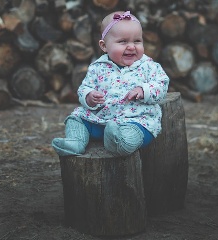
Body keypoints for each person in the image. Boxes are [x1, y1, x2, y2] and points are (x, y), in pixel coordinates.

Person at [51, 10, 169, 156]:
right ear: (104, 46)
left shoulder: (149, 66)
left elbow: (162, 84)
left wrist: (144, 90)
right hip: (101, 119)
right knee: (77, 118)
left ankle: (120, 143)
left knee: (135, 132)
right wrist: (89, 96)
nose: (131, 47)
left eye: (137, 41)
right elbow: (84, 88)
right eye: (123, 41)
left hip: (135, 119)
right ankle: (75, 142)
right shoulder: (97, 67)